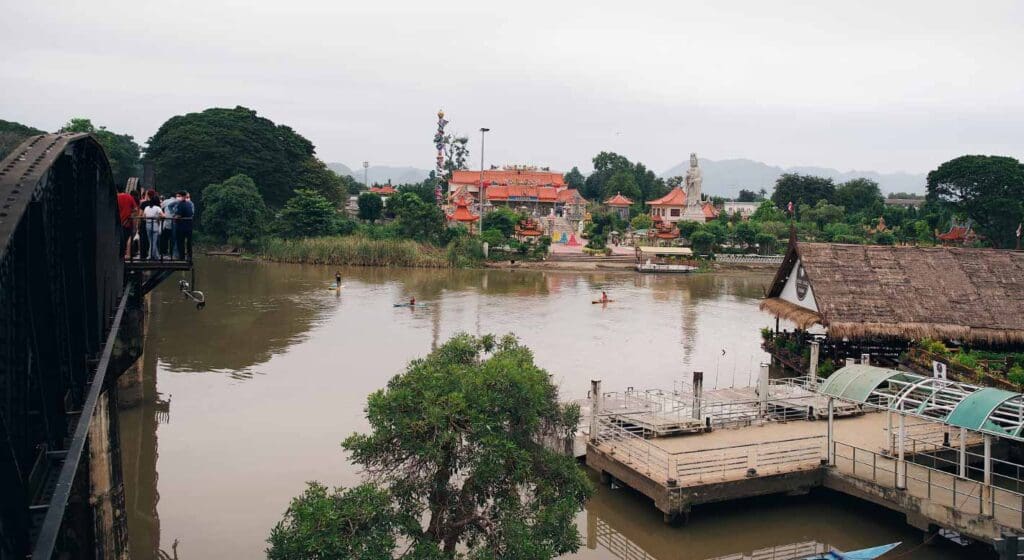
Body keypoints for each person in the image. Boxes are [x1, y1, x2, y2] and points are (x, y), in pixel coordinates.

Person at [116, 191, 138, 259]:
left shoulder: (115, 197)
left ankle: (119, 254)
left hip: (117, 222)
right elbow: (135, 209)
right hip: (127, 222)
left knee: (119, 238)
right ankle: (126, 254)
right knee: (127, 237)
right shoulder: (129, 197)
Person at [175, 191, 195, 261]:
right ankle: (190, 256)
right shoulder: (189, 204)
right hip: (189, 226)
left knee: (180, 242)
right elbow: (191, 213)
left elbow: (178, 215)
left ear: (181, 196)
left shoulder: (180, 204)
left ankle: (182, 257)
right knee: (189, 242)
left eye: (179, 196)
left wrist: (175, 218)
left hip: (182, 226)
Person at [161, 192, 179, 257]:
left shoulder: (165, 201)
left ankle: (164, 252)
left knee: (165, 238)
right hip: (175, 222)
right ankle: (172, 252)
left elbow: (160, 208)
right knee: (173, 238)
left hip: (166, 222)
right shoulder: (178, 201)